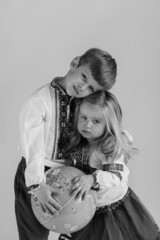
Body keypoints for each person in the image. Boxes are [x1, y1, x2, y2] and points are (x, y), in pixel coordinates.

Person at [14, 48, 117, 240]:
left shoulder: (80, 103)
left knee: (78, 231)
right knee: (33, 233)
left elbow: (98, 120)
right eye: (84, 77)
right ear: (74, 62)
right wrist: (37, 185)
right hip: (36, 174)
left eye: (91, 88)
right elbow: (32, 147)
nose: (83, 88)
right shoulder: (40, 102)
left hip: (70, 175)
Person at [59, 91, 160, 240]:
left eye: (96, 121)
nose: (87, 125)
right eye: (83, 117)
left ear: (109, 123)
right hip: (85, 208)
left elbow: (116, 176)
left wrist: (92, 179)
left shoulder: (109, 146)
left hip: (111, 211)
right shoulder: (80, 141)